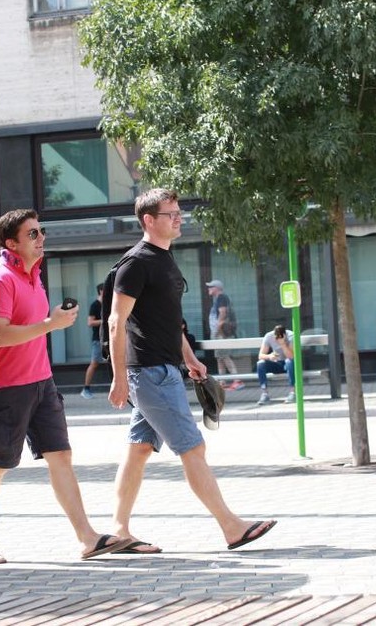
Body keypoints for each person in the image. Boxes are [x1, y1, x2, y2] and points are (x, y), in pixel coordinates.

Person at [107, 188, 277, 554]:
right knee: (193, 447)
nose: (178, 218)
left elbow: (170, 321)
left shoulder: (164, 258)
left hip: (163, 368)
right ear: (148, 220)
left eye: (179, 212)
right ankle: (232, 527)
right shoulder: (136, 263)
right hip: (149, 372)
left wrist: (189, 358)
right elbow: (116, 322)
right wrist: (120, 377)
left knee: (138, 451)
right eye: (170, 214)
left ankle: (119, 531)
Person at [0, 208, 130, 564]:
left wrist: (51, 320)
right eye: (32, 234)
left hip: (41, 382)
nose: (40, 238)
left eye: (41, 231)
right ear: (11, 243)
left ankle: (88, 538)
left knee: (61, 456)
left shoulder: (34, 275)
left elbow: (35, 324)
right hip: (5, 387)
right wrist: (50, 324)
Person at [205, 279, 243, 390]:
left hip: (220, 333)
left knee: (225, 356)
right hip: (218, 333)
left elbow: (222, 313)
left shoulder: (221, 298)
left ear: (217, 288)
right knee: (220, 357)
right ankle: (222, 381)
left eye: (211, 287)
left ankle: (237, 380)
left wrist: (217, 330)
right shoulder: (218, 299)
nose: (209, 289)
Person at [256, 325, 295, 405]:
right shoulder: (269, 336)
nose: (277, 338)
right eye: (276, 336)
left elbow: (291, 356)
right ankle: (264, 394)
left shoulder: (291, 336)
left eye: (280, 336)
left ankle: (293, 392)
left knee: (289, 361)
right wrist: (269, 356)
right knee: (260, 363)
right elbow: (260, 355)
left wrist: (283, 344)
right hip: (276, 362)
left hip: (288, 363)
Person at [80, 283, 104, 399]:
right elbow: (90, 322)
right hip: (97, 340)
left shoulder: (108, 304)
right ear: (101, 291)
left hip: (109, 339)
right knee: (94, 364)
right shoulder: (95, 305)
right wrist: (104, 321)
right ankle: (86, 389)